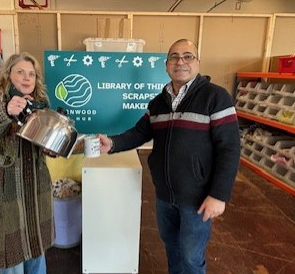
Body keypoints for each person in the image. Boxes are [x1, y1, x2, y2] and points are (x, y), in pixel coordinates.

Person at [98, 39, 241, 274]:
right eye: (174, 57)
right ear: (166, 65)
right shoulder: (158, 103)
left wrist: (219, 194)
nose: (180, 62)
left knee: (191, 256)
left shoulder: (215, 97)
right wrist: (112, 143)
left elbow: (230, 148)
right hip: (164, 195)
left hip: (197, 198)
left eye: (187, 56)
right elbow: (140, 132)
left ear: (198, 63)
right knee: (172, 248)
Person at [0, 52, 54, 274]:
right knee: (12, 251)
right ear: (9, 74)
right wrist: (7, 111)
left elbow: (44, 142)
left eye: (32, 74)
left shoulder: (41, 104)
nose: (27, 78)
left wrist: (52, 145)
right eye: (20, 72)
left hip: (36, 181)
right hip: (9, 183)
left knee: (36, 244)